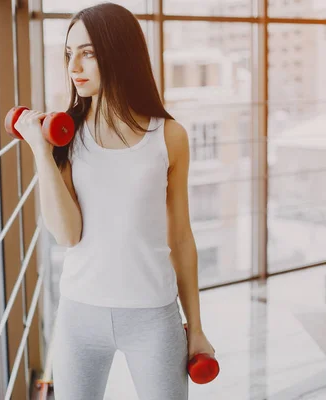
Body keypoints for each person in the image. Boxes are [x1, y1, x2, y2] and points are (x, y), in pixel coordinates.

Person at [15, 3, 215, 399]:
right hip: (79, 314)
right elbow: (67, 234)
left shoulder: (169, 137)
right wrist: (40, 149)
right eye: (69, 53)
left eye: (87, 52)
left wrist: (197, 327)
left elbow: (182, 238)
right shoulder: (65, 136)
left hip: (153, 316)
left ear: (119, 52)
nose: (74, 65)